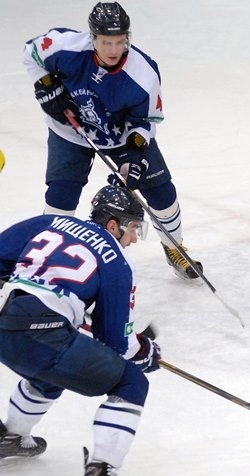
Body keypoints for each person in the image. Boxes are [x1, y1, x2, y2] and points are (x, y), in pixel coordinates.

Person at [22, 1, 203, 280]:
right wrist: (45, 85)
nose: (113, 49)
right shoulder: (65, 47)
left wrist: (135, 156)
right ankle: (49, 255)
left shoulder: (143, 73)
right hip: (70, 130)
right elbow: (30, 52)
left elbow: (146, 121)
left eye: (120, 41)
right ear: (92, 37)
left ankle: (174, 246)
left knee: (161, 191)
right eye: (106, 42)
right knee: (61, 194)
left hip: (119, 137)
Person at [0, 184, 161, 476]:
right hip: (43, 335)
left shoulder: (52, 222)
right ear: (113, 224)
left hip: (5, 320)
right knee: (131, 382)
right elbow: (114, 341)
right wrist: (143, 352)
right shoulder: (116, 261)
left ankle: (11, 436)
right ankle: (102, 473)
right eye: (133, 228)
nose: (134, 238)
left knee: (52, 373)